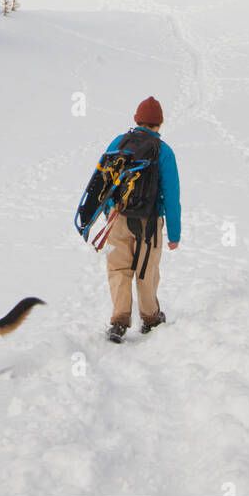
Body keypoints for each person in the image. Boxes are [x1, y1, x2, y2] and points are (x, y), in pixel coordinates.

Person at [103, 96, 180, 343]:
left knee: (119, 269)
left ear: (136, 120)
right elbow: (171, 195)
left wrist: (108, 212)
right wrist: (175, 234)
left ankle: (119, 322)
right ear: (160, 123)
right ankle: (151, 318)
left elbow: (102, 181)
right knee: (147, 270)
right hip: (150, 222)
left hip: (118, 217)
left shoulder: (118, 142)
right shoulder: (164, 151)